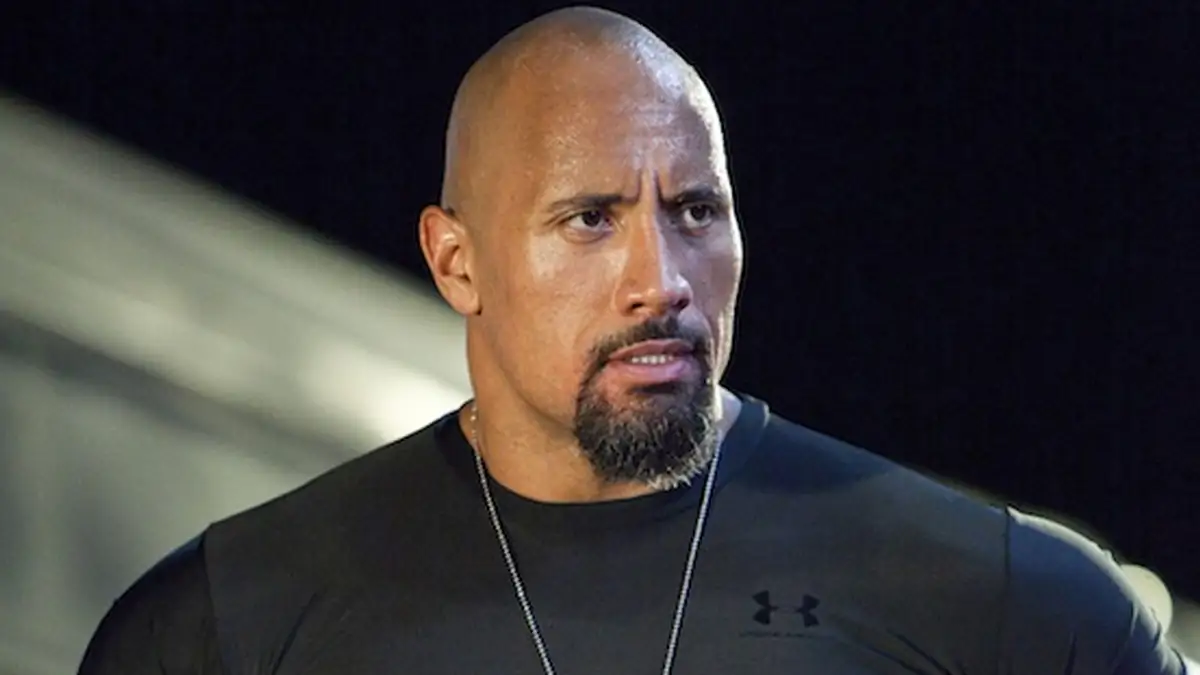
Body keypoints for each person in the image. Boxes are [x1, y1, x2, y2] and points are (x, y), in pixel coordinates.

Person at [78, 6, 1187, 674]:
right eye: (589, 219)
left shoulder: (1007, 604)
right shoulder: (228, 621)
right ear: (457, 261)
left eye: (696, 211)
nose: (661, 281)